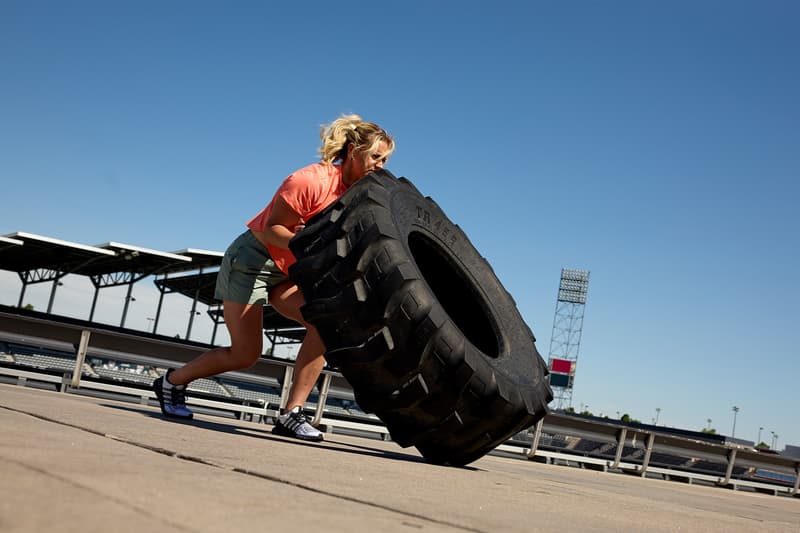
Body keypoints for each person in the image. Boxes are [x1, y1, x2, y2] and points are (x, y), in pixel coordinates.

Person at [152, 114, 395, 441]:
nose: (380, 165)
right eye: (375, 157)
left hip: (289, 271)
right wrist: (311, 245)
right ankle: (171, 382)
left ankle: (291, 413)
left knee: (324, 325)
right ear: (353, 151)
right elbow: (273, 229)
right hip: (253, 261)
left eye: (386, 160)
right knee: (245, 354)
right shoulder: (310, 181)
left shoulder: (359, 196)